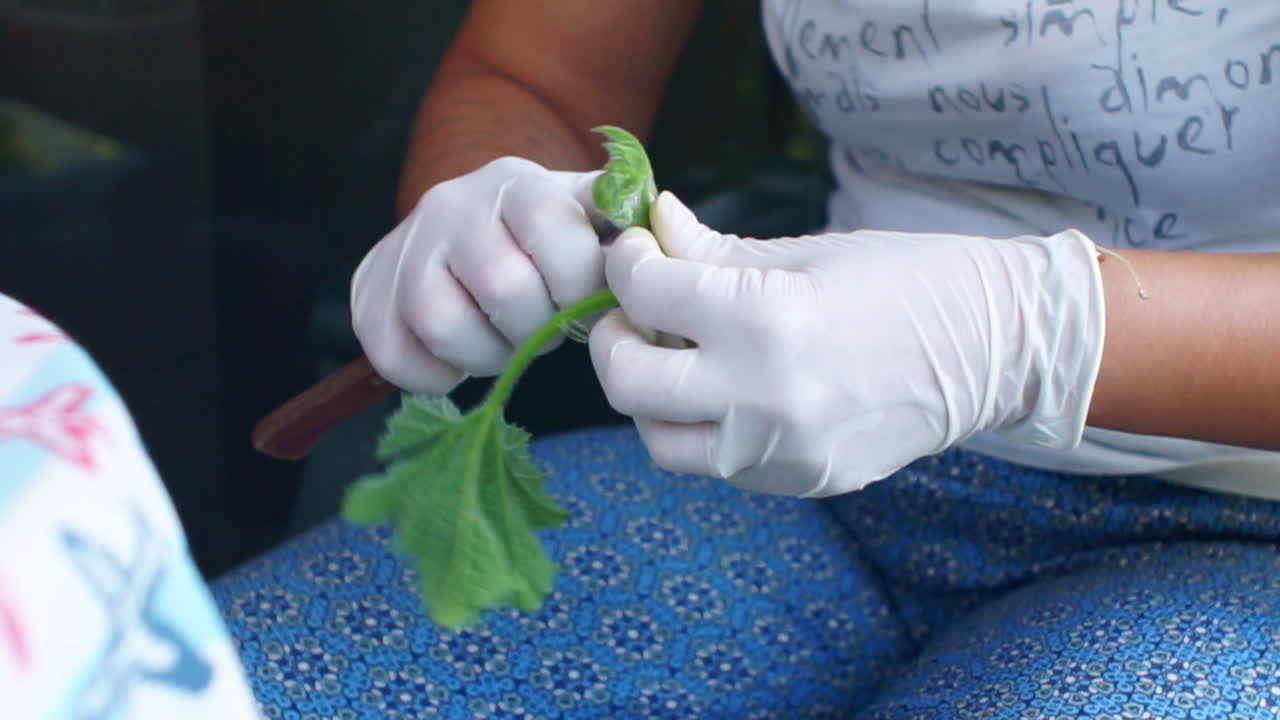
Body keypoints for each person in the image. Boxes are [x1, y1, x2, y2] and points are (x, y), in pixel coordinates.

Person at [261, 1, 1280, 717]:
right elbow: (535, 75)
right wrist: (497, 203)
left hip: (1234, 534)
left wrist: (1027, 332)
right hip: (785, 477)